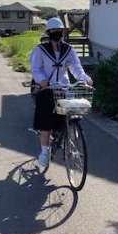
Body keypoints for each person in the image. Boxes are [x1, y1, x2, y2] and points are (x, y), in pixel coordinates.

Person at [30, 17, 93, 168]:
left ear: (63, 32)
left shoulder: (68, 50)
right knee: (46, 121)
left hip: (64, 87)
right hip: (47, 88)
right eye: (53, 31)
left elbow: (76, 67)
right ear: (48, 33)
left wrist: (85, 78)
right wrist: (42, 80)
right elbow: (36, 68)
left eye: (59, 30)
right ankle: (44, 152)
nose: (57, 33)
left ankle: (67, 134)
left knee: (71, 111)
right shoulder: (40, 50)